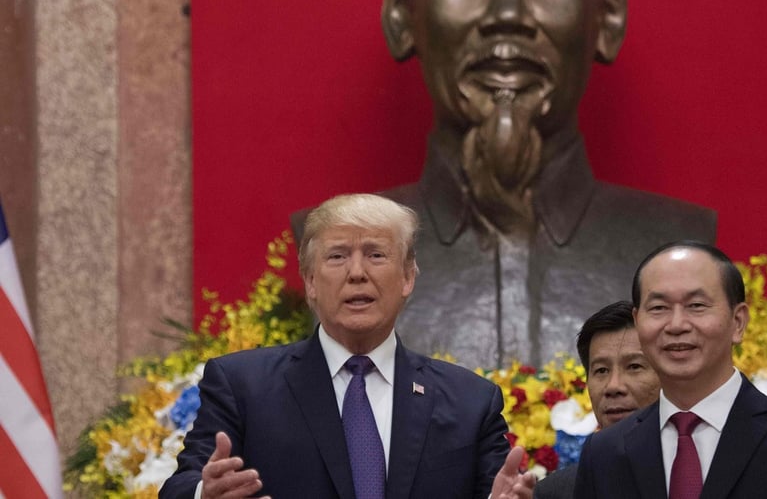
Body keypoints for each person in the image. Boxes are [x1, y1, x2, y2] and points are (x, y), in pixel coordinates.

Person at [293, 0, 715, 369]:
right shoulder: (327, 248)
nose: (508, 13)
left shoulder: (682, 247)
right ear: (401, 11)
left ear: (608, 12)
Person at [160, 194, 535, 499]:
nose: (357, 272)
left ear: (407, 277)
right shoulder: (242, 385)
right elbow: (178, 487)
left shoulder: (471, 400)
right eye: (337, 256)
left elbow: (498, 492)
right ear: (309, 281)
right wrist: (204, 495)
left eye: (375, 254)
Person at [573, 241, 767, 498]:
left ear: (738, 322)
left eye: (696, 305)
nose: (676, 325)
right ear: (638, 322)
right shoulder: (605, 454)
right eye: (658, 308)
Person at [535, 300, 661, 499]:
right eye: (601, 370)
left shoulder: (699, 476)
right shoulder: (556, 492)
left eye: (634, 366)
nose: (613, 386)